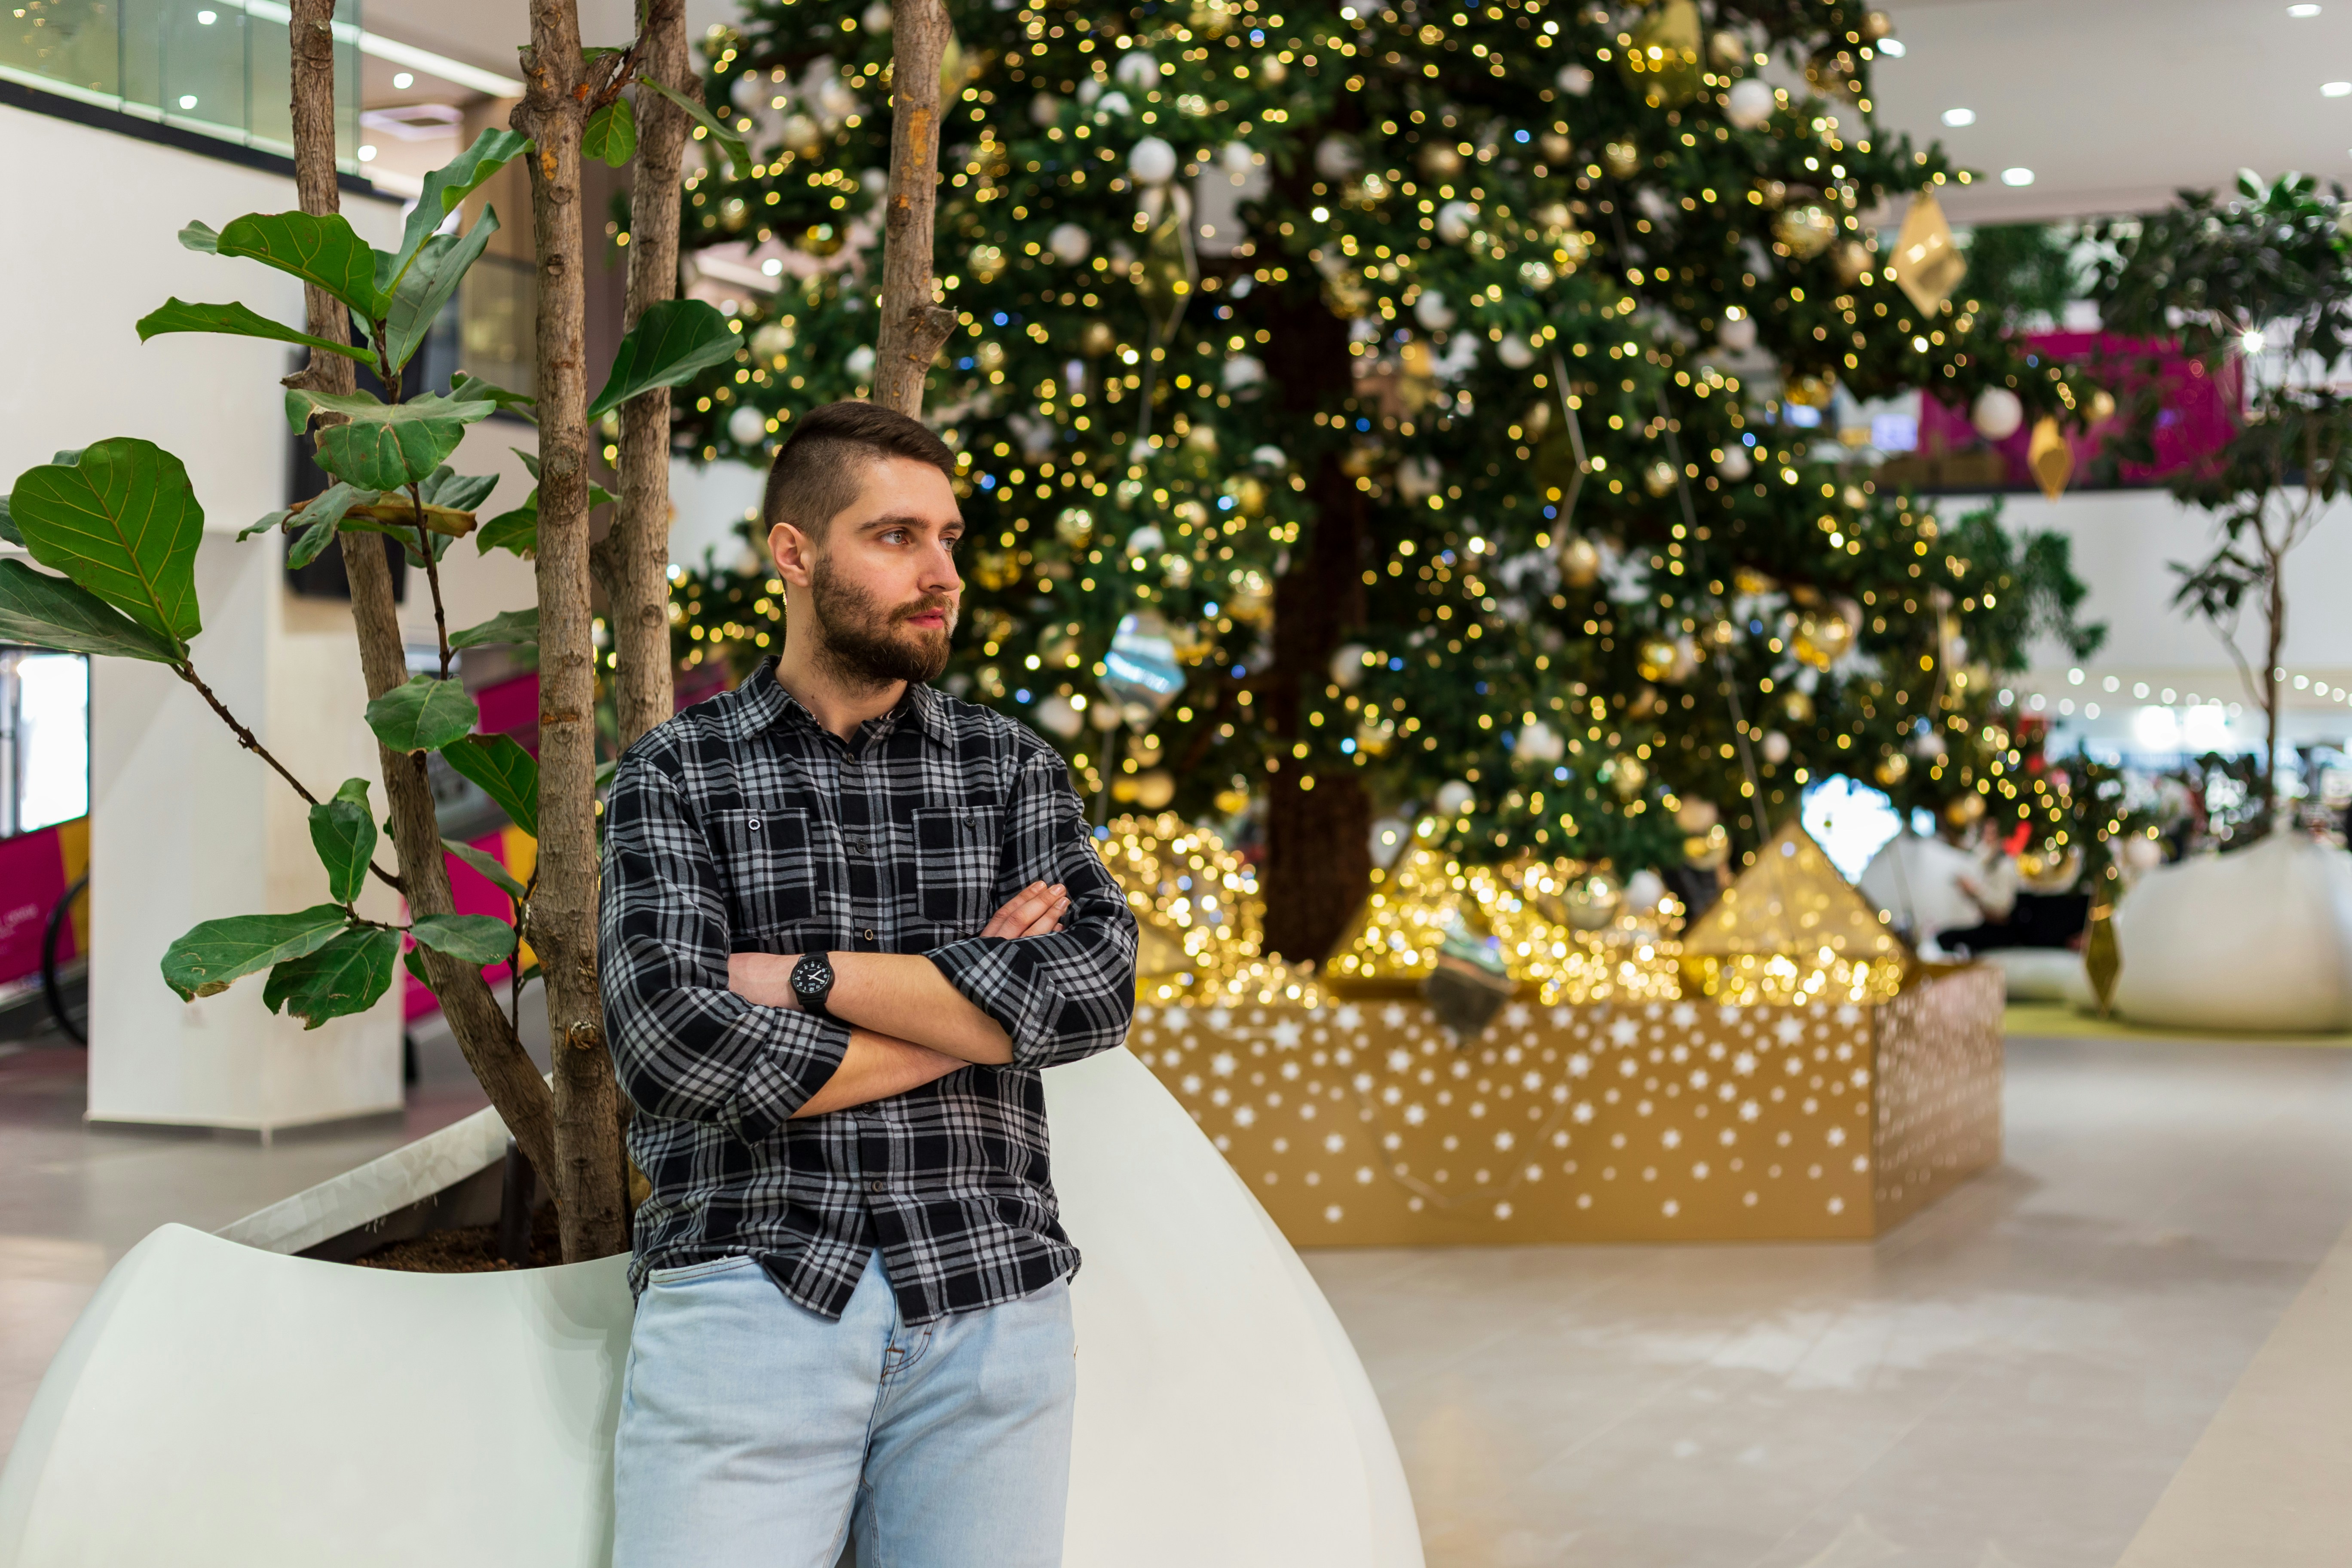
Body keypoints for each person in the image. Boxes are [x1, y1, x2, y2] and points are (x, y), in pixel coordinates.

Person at [598, 400, 1139, 1568]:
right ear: (793, 554)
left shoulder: (1012, 771)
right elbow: (672, 1044)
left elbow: (1093, 989)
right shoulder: (677, 775)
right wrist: (978, 1020)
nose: (941, 571)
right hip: (752, 1290)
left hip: (992, 1299)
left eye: (948, 538)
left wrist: (806, 977)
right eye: (897, 537)